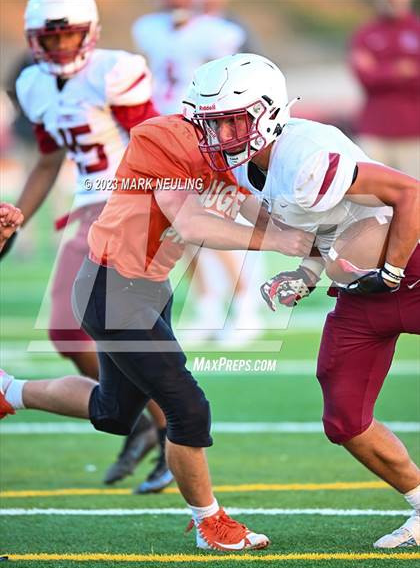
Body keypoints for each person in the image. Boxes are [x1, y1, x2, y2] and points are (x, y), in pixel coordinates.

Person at [0, 104, 313, 550]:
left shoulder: (226, 151)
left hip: (148, 286)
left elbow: (248, 206)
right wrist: (278, 240)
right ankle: (209, 523)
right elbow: (191, 221)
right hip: (111, 290)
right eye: (228, 119)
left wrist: (313, 237)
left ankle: (8, 391)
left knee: (113, 412)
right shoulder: (163, 138)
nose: (235, 131)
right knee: (187, 408)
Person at [188, 53, 419, 549]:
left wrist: (394, 272)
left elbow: (409, 193)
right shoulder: (255, 168)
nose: (219, 136)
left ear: (266, 112)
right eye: (213, 124)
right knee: (344, 417)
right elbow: (331, 227)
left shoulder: (308, 151)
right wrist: (306, 273)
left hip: (410, 270)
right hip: (363, 291)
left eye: (231, 122)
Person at [0, 0, 166, 491]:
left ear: (88, 32)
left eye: (67, 35)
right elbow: (49, 163)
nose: (59, 46)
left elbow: (157, 141)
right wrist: (16, 219)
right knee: (68, 335)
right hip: (87, 206)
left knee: (115, 331)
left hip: (131, 202)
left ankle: (167, 428)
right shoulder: (32, 84)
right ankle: (138, 418)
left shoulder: (115, 71)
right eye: (49, 38)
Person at [132, 0, 263, 348]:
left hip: (198, 135)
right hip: (162, 133)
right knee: (176, 230)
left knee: (206, 224)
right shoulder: (151, 28)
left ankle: (245, 306)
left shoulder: (219, 32)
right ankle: (208, 304)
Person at [349, 0, 420, 178]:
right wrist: (398, 70)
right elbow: (364, 77)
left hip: (413, 133)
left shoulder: (417, 30)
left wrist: (380, 69)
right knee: (367, 197)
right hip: (375, 131)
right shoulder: (366, 33)